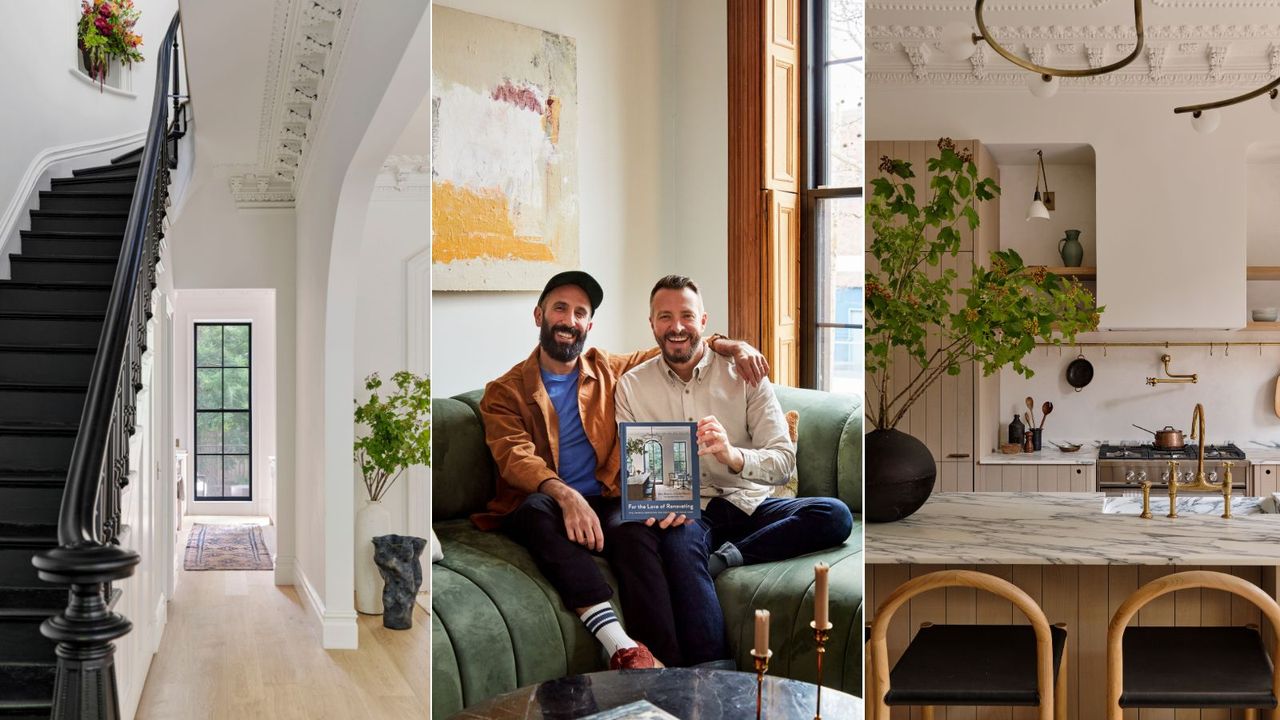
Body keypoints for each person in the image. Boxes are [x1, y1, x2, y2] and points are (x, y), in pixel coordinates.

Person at [472, 270, 769, 669]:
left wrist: (730, 345)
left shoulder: (609, 368)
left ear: (588, 326)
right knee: (534, 511)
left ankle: (672, 670)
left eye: (580, 313)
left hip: (606, 499)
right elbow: (514, 456)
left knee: (639, 530)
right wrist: (566, 495)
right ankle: (619, 642)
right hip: (545, 502)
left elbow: (677, 342)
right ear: (539, 315)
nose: (570, 320)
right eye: (560, 308)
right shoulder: (504, 392)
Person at [616, 274, 853, 579]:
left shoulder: (743, 373)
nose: (676, 327)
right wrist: (654, 503)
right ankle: (718, 554)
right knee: (678, 549)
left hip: (750, 504)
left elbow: (783, 462)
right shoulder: (632, 387)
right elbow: (639, 475)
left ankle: (728, 557)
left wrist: (733, 456)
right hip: (692, 514)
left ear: (702, 321)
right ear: (652, 324)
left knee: (835, 515)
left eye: (686, 316)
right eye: (665, 317)